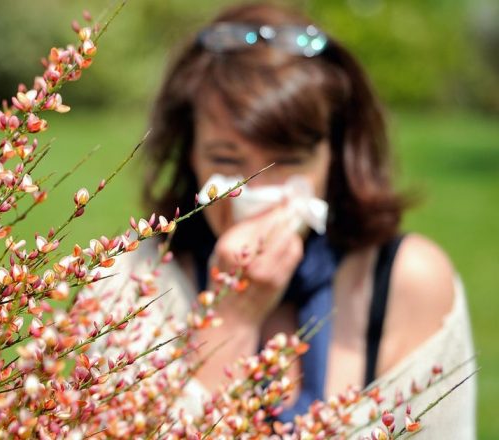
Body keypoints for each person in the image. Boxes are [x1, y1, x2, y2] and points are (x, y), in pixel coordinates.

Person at [92, 3, 476, 437]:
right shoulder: (137, 278)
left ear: (336, 157)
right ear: (190, 156)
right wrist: (231, 319)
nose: (256, 192)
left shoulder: (408, 284)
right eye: (225, 159)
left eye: (289, 161)